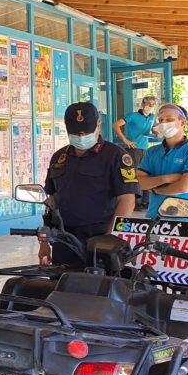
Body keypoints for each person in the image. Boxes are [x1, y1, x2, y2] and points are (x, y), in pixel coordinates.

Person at [41, 102, 139, 267]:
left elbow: (127, 201)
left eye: (86, 132)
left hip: (100, 238)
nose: (81, 136)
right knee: (62, 282)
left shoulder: (116, 156)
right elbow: (52, 200)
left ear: (98, 125)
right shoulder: (59, 157)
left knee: (99, 283)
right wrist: (44, 241)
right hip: (64, 239)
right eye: (75, 132)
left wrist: (110, 238)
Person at [137, 103, 188, 220]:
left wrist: (156, 190)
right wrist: (167, 178)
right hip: (154, 217)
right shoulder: (152, 152)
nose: (164, 123)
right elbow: (139, 182)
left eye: (169, 119)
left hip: (184, 219)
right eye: (161, 120)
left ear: (183, 123)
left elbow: (184, 186)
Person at [113, 95, 157, 209]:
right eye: (149, 104)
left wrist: (158, 132)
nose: (151, 106)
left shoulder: (153, 117)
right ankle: (135, 202)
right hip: (133, 149)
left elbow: (155, 130)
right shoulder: (132, 115)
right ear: (143, 104)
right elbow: (116, 125)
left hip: (145, 149)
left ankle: (145, 202)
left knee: (147, 174)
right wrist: (125, 140)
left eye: (153, 104)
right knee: (133, 175)